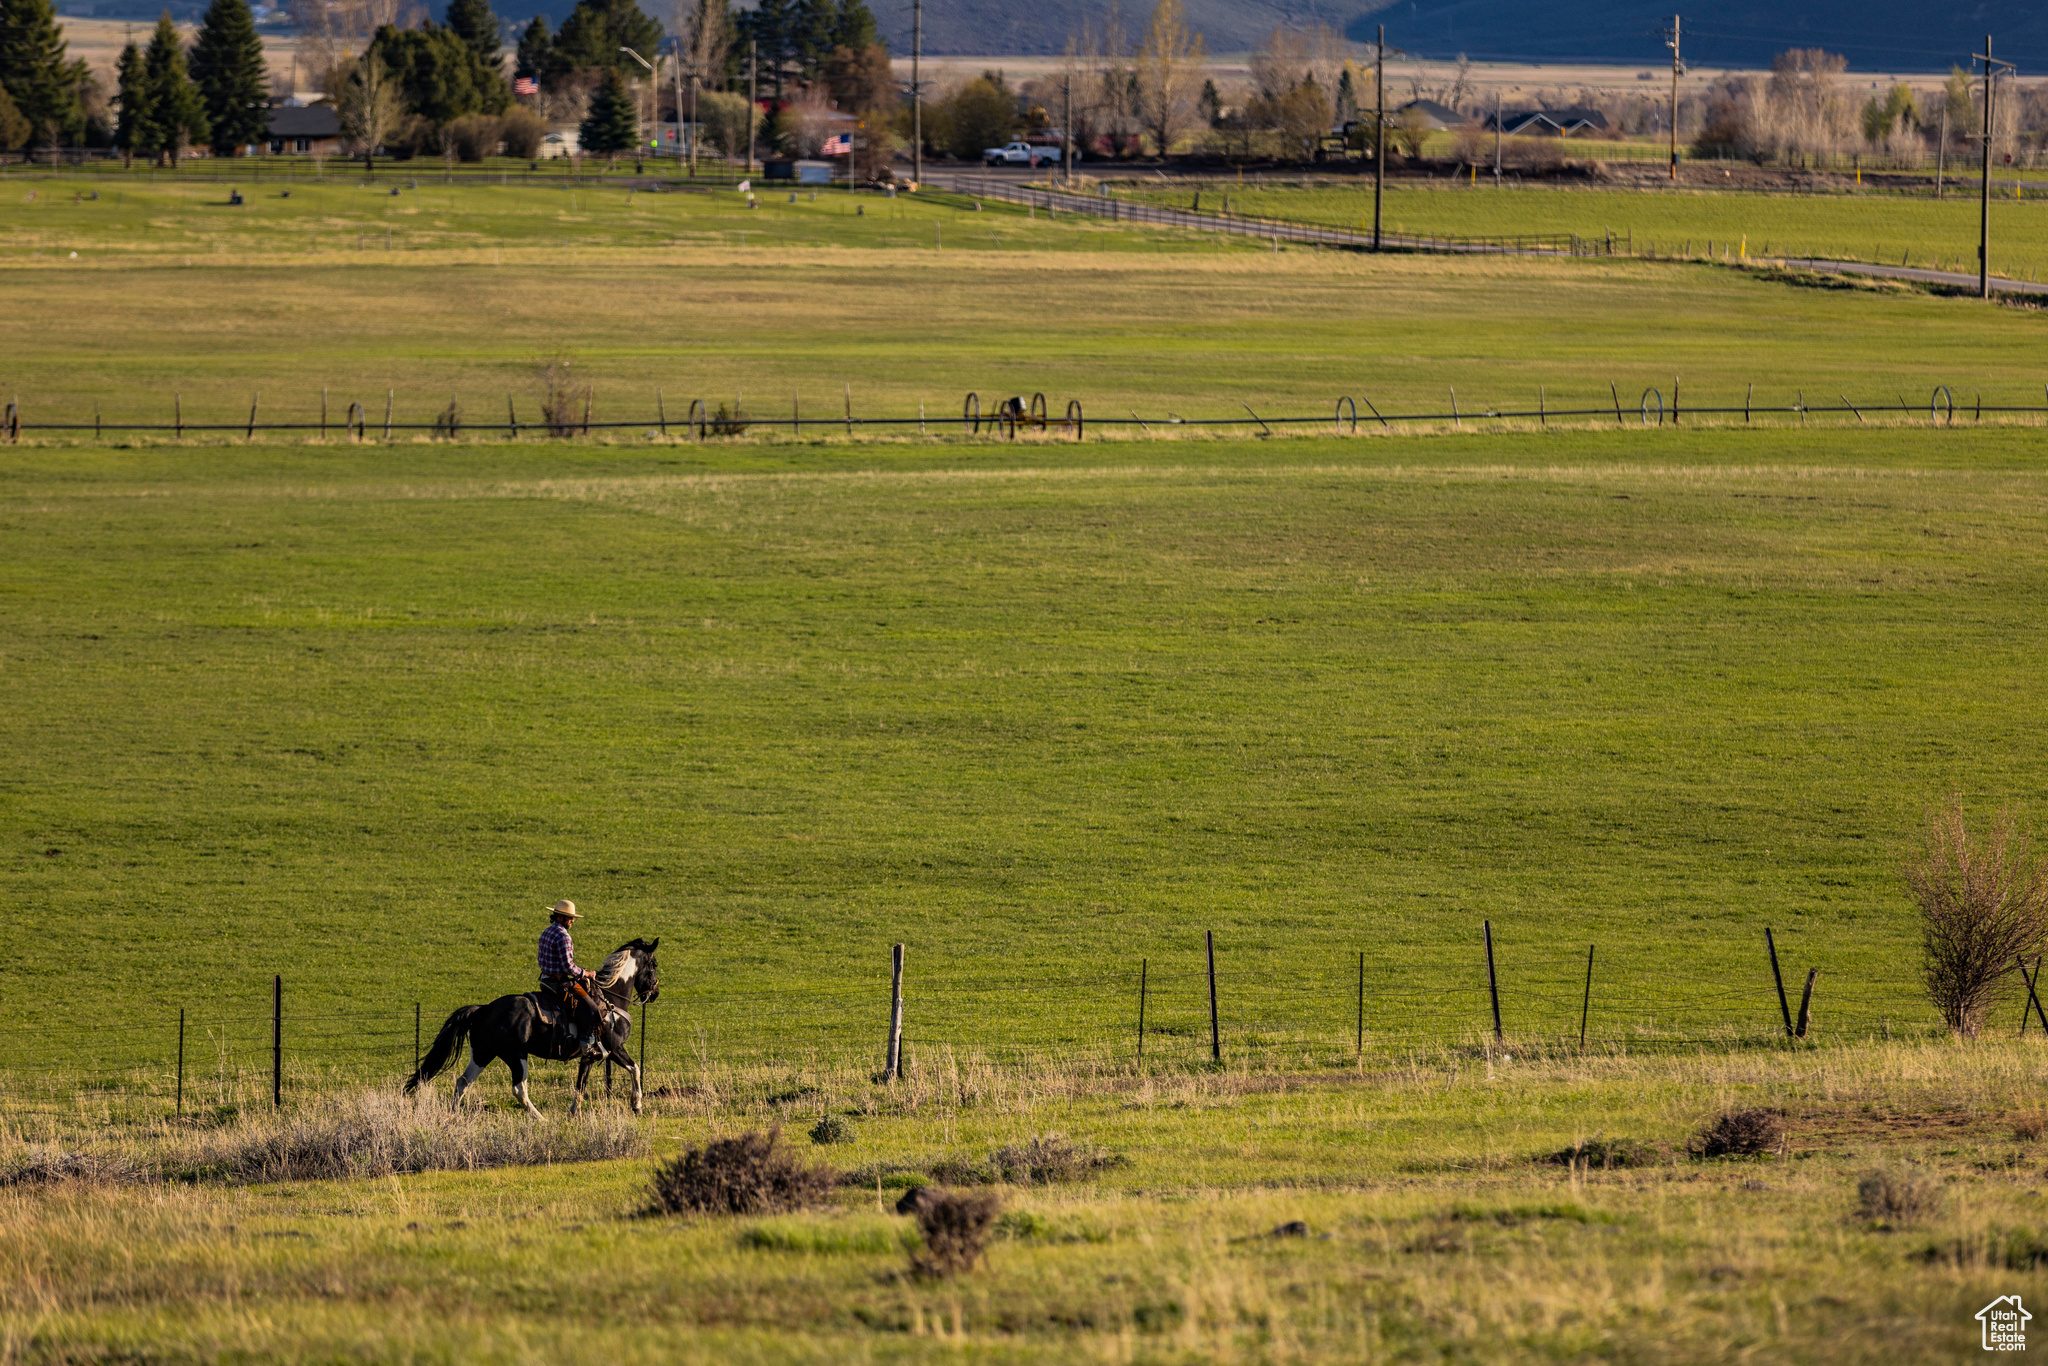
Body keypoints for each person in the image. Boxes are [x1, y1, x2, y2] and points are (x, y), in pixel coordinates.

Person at [538, 899, 604, 1050]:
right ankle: (586, 1045)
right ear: (560, 917)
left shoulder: (546, 932)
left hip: (545, 981)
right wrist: (586, 973)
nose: (572, 921)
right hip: (560, 984)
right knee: (591, 1007)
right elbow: (568, 967)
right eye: (570, 917)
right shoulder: (564, 936)